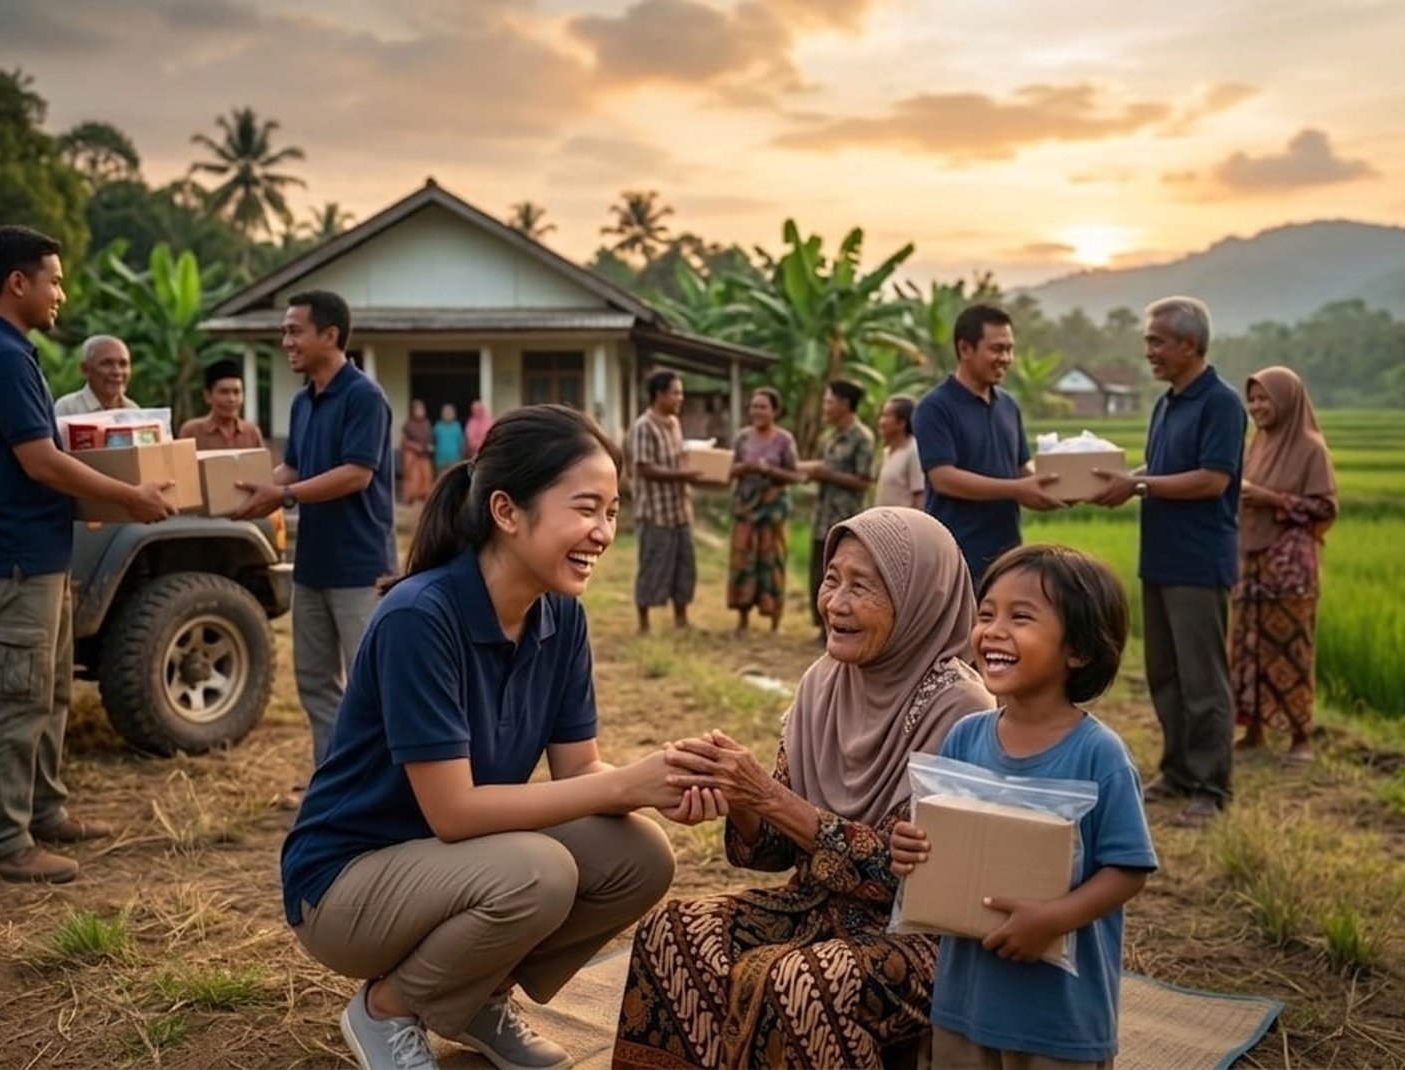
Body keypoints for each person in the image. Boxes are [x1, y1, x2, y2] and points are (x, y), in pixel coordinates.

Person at [282, 405, 695, 1070]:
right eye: (586, 508)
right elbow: (455, 812)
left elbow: (579, 768)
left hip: (453, 868)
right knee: (540, 872)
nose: (604, 532)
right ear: (507, 511)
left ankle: (475, 999)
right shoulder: (421, 617)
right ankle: (387, 1010)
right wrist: (626, 782)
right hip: (344, 886)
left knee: (641, 856)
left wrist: (664, 784)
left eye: (613, 512)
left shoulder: (560, 616)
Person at [616, 507, 997, 1070]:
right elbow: (772, 852)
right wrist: (740, 799)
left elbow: (900, 877)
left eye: (861, 587)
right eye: (831, 579)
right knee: (673, 932)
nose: (835, 603)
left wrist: (769, 798)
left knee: (801, 984)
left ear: (918, 599)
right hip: (815, 907)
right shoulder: (823, 683)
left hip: (924, 937)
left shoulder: (962, 710)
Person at [0, 226, 174, 884]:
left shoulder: (4, 349)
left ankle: (41, 809)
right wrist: (128, 495)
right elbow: (41, 461)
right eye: (53, 280)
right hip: (13, 558)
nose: (62, 294)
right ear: (18, 282)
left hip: (36, 556)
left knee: (46, 692)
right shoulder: (1, 355)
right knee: (13, 698)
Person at [891, 545, 1156, 1070]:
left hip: (1056, 1019)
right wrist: (910, 850)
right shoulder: (967, 736)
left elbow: (1128, 868)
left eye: (1021, 617)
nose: (993, 630)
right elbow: (939, 840)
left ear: (1077, 650)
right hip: (964, 1005)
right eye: (986, 613)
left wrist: (1053, 919)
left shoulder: (1098, 754)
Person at [1089, 295, 1247, 828]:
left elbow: (1213, 479)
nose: (1148, 351)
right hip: (1159, 557)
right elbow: (1157, 469)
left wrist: (1137, 483)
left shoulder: (1221, 403)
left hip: (1198, 562)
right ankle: (1178, 770)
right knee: (1165, 674)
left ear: (1189, 344)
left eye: (1157, 341)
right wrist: (1126, 478)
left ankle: (1211, 785)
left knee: (1203, 680)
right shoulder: (1167, 402)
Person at [232, 290, 395, 805]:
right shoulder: (303, 400)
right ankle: (333, 787)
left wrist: (280, 494)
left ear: (330, 335)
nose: (287, 342)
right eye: (284, 332)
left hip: (359, 565)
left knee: (372, 684)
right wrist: (242, 488)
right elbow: (294, 468)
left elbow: (356, 474)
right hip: (313, 563)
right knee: (316, 683)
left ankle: (386, 791)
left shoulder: (365, 397)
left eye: (294, 331)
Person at [914, 304, 1066, 584]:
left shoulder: (1008, 405)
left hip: (1006, 555)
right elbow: (944, 478)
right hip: (955, 554)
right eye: (997, 349)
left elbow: (1021, 468)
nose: (1006, 358)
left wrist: (1056, 487)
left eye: (1009, 349)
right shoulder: (935, 407)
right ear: (965, 349)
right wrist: (1017, 489)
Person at [1232, 367, 1338, 765]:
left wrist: (1271, 499)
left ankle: (1300, 737)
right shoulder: (1254, 445)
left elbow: (1325, 507)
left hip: (1290, 569)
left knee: (1291, 649)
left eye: (1265, 399)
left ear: (1288, 401)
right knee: (1248, 647)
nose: (1257, 407)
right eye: (1253, 399)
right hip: (1249, 561)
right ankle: (1254, 731)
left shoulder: (1311, 448)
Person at [797, 379, 875, 634]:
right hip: (822, 520)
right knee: (820, 577)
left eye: (829, 402)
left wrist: (826, 474)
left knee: (843, 579)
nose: (825, 407)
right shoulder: (831, 437)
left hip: (846, 521)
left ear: (844, 404)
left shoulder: (862, 438)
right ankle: (823, 629)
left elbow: (863, 481)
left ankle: (839, 629)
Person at [628, 370, 701, 634]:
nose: (680, 398)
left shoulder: (674, 423)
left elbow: (678, 459)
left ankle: (681, 619)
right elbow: (645, 468)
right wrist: (684, 474)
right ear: (659, 395)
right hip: (655, 512)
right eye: (676, 393)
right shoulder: (643, 426)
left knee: (684, 566)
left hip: (680, 510)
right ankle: (643, 624)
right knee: (653, 565)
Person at [726, 387, 801, 632]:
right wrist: (745, 467)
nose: (756, 411)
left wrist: (769, 470)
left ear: (775, 411)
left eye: (762, 407)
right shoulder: (742, 438)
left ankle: (774, 620)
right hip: (745, 508)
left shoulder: (784, 440)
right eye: (754, 406)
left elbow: (794, 475)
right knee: (743, 561)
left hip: (773, 511)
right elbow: (728, 471)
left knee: (772, 561)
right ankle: (742, 618)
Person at [176, 360, 265, 449]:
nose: (231, 399)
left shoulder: (251, 433)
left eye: (236, 392)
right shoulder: (192, 432)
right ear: (208, 396)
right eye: (224, 392)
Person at [53, 335, 137, 416]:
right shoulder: (67, 409)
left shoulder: (133, 411)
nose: (117, 372)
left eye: (123, 364)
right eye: (107, 363)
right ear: (85, 369)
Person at [874, 394, 925, 509]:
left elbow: (919, 496)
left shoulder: (913, 452)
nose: (881, 421)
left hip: (901, 524)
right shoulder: (887, 452)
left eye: (887, 416)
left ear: (901, 423)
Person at [401, 399, 435, 505]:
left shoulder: (427, 424)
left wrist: (429, 446)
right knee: (413, 477)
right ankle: (410, 499)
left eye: (422, 409)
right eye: (418, 409)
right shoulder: (408, 425)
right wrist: (414, 446)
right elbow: (403, 441)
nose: (420, 411)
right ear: (413, 411)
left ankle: (425, 499)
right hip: (412, 456)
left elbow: (430, 438)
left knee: (427, 476)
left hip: (424, 455)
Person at [432, 403, 465, 470]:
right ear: (442, 414)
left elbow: (461, 443)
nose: (448, 414)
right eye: (445, 412)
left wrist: (461, 457)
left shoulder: (457, 426)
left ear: (454, 414)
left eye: (450, 412)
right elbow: (432, 441)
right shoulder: (437, 426)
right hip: (440, 460)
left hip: (455, 459)